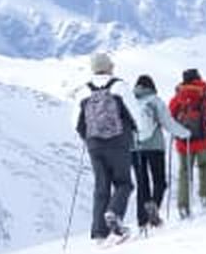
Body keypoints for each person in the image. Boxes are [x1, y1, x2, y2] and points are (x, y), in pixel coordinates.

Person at [73, 52, 139, 243]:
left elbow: (75, 122)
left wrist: (88, 138)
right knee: (124, 183)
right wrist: (137, 133)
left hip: (94, 144)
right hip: (119, 142)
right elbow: (134, 114)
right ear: (109, 67)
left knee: (101, 187)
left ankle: (99, 233)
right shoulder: (119, 86)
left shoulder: (83, 91)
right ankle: (114, 213)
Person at [131, 75, 191, 231]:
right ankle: (154, 206)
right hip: (155, 147)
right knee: (159, 182)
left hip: (134, 147)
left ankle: (142, 222)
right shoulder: (155, 100)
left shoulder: (129, 101)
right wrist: (184, 133)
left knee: (142, 184)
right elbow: (168, 123)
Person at [169, 69, 206, 219]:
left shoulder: (178, 97)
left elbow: (169, 116)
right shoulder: (203, 94)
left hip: (183, 142)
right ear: (198, 78)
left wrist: (175, 132)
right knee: (205, 167)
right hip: (203, 141)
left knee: (184, 172)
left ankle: (183, 206)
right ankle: (205, 197)